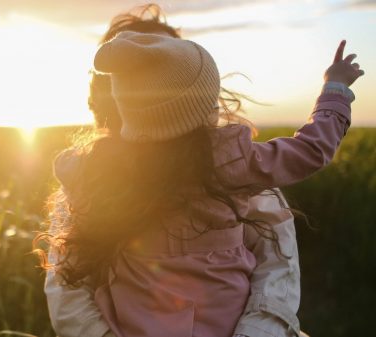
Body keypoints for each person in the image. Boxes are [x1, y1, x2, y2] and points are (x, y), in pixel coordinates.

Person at [39, 5, 362, 337]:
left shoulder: (92, 170)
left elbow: (275, 274)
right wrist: (334, 90)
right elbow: (311, 150)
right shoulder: (234, 163)